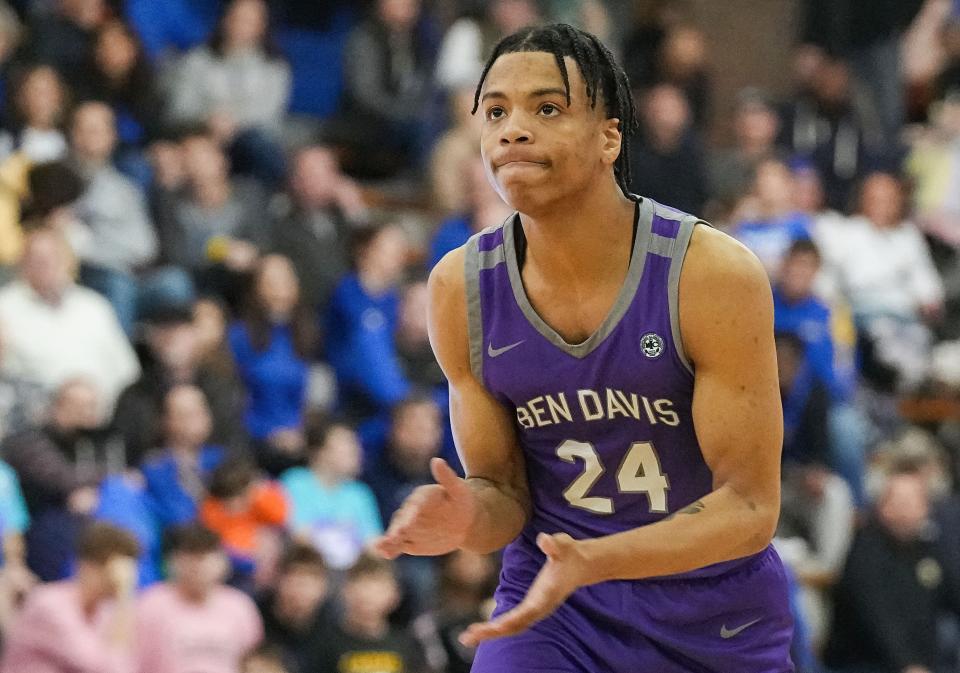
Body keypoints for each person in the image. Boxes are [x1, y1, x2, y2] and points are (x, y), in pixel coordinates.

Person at [374, 24, 792, 673]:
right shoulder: (460, 288)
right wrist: (465, 517)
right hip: (555, 609)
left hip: (712, 612)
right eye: (495, 112)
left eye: (546, 108)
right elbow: (505, 494)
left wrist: (598, 558)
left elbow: (751, 508)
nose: (512, 130)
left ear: (610, 136)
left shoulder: (710, 274)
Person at [68, 101, 194, 335]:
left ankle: (176, 366)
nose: (89, 138)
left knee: (175, 282)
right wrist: (109, 254)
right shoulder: (60, 179)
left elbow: (144, 247)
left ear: (112, 137)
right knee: (118, 284)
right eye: (83, 130)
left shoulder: (125, 187)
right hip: (85, 278)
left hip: (128, 275)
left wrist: (98, 247)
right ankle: (121, 367)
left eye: (97, 130)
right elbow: (71, 245)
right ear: (72, 135)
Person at [824, 461, 957, 673]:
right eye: (901, 501)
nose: (909, 509)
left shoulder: (928, 549)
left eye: (915, 501)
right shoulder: (865, 551)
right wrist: (907, 664)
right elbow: (877, 618)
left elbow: (953, 593)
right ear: (883, 505)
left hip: (923, 661)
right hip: (865, 663)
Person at [0, 227, 140, 412]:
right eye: (37, 260)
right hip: (37, 422)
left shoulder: (95, 306)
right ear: (22, 264)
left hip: (103, 418)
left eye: (52, 258)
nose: (45, 265)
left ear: (68, 261)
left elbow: (127, 372)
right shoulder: (5, 307)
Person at [0, 522, 140, 673]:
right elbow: (101, 667)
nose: (120, 580)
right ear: (89, 566)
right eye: (116, 572)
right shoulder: (49, 605)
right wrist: (124, 596)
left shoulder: (105, 612)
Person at [136, 524, 263, 673]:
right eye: (190, 557)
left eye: (204, 557)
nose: (197, 566)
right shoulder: (152, 604)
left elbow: (252, 662)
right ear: (174, 561)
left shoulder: (240, 606)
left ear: (222, 562)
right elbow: (134, 661)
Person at [229, 254, 315, 475]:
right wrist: (268, 434)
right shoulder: (240, 337)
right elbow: (235, 401)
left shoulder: (305, 334)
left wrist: (301, 433)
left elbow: (309, 399)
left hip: (298, 442)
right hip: (254, 444)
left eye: (286, 281)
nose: (280, 290)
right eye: (271, 282)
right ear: (256, 288)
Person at [301, 554, 426, 673]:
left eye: (377, 589)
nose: (368, 595)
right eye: (362, 585)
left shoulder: (405, 645)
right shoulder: (324, 644)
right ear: (345, 590)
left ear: (394, 595)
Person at [256, 543, 335, 673]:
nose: (300, 589)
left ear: (324, 586)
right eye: (294, 578)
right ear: (278, 580)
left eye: (308, 581)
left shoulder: (335, 620)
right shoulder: (255, 614)